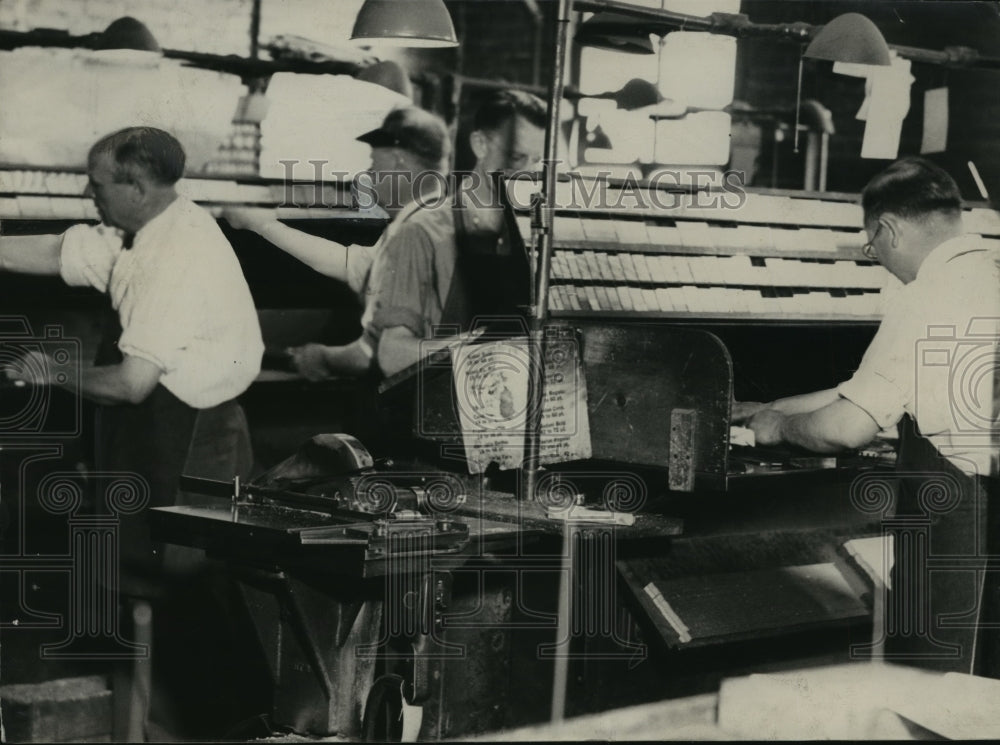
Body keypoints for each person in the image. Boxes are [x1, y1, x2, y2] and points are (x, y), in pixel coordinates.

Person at [0, 126, 264, 734]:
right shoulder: (151, 226)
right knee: (145, 591)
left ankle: (193, 730)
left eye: (96, 185)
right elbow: (61, 251)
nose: (88, 195)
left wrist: (50, 370)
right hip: (165, 430)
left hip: (193, 438)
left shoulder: (170, 258)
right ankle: (150, 722)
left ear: (136, 186)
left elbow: (131, 385)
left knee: (180, 596)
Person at [738, 157, 1000, 675]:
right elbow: (871, 389)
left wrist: (777, 428)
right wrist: (773, 405)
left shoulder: (927, 295)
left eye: (870, 245)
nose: (874, 255)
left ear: (888, 229)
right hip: (987, 514)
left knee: (933, 691)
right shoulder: (983, 274)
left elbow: (846, 427)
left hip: (959, 527)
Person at [223, 105, 451, 380]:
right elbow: (348, 263)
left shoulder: (412, 236)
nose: (369, 173)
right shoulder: (442, 222)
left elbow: (378, 355)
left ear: (397, 159)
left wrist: (320, 356)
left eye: (373, 161)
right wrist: (261, 224)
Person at [370, 89, 546, 377]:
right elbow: (393, 355)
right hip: (440, 405)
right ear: (479, 144)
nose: (526, 173)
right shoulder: (422, 233)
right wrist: (482, 348)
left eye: (536, 161)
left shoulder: (536, 236)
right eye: (516, 157)